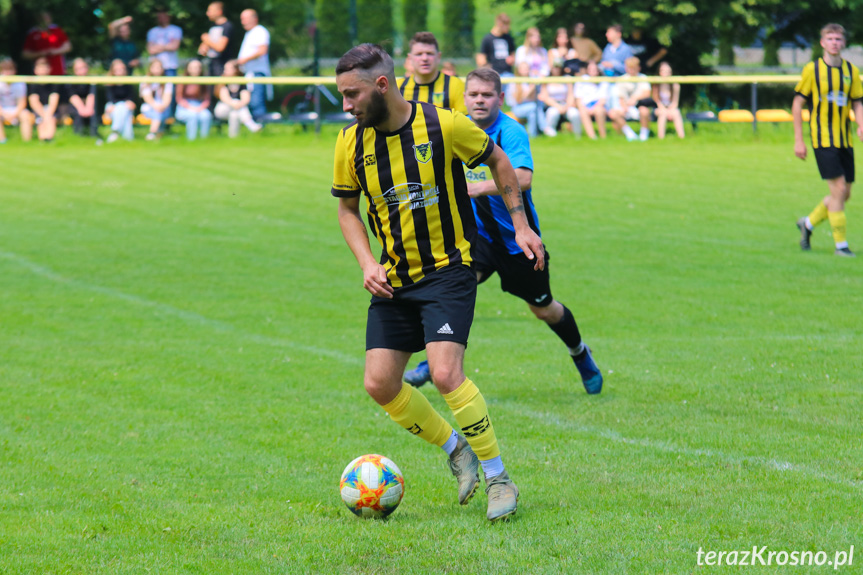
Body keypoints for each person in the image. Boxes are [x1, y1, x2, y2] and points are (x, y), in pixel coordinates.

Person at [332, 43, 544, 522]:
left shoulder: (443, 124)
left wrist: (521, 225)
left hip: (448, 271)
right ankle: (456, 450)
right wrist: (367, 261)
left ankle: (498, 478)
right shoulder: (350, 143)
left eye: (352, 95)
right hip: (393, 280)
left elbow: (500, 163)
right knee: (380, 384)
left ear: (381, 86)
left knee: (446, 374)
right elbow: (347, 209)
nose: (346, 106)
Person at [405, 67, 603, 396]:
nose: (479, 101)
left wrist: (478, 187)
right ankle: (433, 361)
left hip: (517, 240)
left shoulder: (510, 131)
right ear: (464, 98)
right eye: (473, 95)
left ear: (500, 98)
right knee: (452, 291)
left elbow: (523, 177)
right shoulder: (455, 128)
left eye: (486, 95)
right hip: (475, 239)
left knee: (544, 308)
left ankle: (580, 352)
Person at [793, 23, 863, 257]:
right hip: (823, 139)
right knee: (839, 189)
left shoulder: (851, 71)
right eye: (830, 39)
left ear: (843, 43)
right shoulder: (812, 70)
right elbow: (797, 103)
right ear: (822, 43)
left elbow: (857, 102)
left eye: (838, 39)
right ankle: (841, 246)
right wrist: (798, 140)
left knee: (843, 194)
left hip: (845, 140)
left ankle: (808, 224)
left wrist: (861, 124)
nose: (835, 43)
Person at [399, 31, 467, 114]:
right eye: (419, 54)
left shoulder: (456, 85)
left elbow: (465, 122)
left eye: (429, 53)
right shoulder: (398, 88)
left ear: (438, 57)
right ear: (410, 58)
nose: (424, 58)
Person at [237, 9, 272, 122]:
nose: (242, 22)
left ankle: (260, 126)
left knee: (256, 102)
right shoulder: (250, 33)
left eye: (245, 19)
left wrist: (244, 59)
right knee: (251, 102)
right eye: (242, 19)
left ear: (254, 19)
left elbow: (262, 50)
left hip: (257, 73)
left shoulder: (260, 31)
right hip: (249, 73)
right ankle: (255, 127)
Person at [609, 57, 654, 141]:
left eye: (634, 68)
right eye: (630, 68)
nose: (631, 70)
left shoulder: (643, 78)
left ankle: (644, 135)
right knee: (613, 113)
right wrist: (624, 107)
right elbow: (621, 97)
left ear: (638, 68)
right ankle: (630, 134)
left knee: (644, 111)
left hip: (639, 106)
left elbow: (647, 93)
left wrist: (634, 98)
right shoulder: (621, 79)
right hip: (626, 107)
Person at [214, 60, 262, 137]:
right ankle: (250, 124)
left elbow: (246, 99)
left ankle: (233, 138)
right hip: (223, 109)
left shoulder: (242, 82)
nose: (225, 71)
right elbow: (224, 98)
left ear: (235, 69)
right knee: (236, 104)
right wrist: (236, 104)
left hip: (236, 109)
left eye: (228, 69)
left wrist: (239, 104)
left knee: (234, 114)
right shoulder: (223, 81)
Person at [22, 11, 71, 75]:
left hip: (58, 73)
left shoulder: (57, 30)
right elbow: (25, 54)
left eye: (46, 17)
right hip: (40, 75)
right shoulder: (32, 33)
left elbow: (68, 47)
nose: (45, 20)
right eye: (42, 18)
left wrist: (54, 51)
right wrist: (40, 53)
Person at [538, 61, 579, 138]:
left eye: (558, 67)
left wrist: (566, 106)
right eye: (555, 67)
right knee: (552, 113)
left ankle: (578, 136)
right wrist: (557, 106)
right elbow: (545, 97)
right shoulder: (546, 79)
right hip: (552, 105)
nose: (556, 69)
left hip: (565, 104)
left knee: (575, 114)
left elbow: (571, 95)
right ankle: (551, 136)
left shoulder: (567, 78)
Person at [174, 60, 212, 140]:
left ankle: (204, 139)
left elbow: (207, 99)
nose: (195, 70)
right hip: (185, 106)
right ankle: (191, 139)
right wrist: (191, 107)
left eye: (198, 67)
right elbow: (179, 98)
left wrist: (200, 107)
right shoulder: (182, 80)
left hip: (199, 105)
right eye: (193, 68)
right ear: (188, 69)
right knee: (192, 116)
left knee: (206, 116)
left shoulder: (204, 81)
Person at [0, 59, 35, 143]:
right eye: (5, 70)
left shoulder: (20, 83)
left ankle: (27, 142)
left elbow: (22, 102)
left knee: (26, 115)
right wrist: (4, 114)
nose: (8, 73)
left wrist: (14, 114)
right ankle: (2, 141)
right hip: (2, 110)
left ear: (15, 71)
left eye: (10, 70)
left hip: (16, 109)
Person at [27, 57, 60, 142]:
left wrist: (47, 115)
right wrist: (44, 116)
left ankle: (48, 139)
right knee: (41, 120)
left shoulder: (54, 83)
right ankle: (44, 139)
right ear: (35, 70)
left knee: (51, 119)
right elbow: (34, 102)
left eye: (44, 68)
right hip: (39, 111)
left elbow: (54, 100)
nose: (43, 70)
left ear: (49, 69)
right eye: (40, 68)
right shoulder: (32, 83)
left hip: (50, 111)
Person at [199, 2, 235, 78]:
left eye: (210, 11)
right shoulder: (212, 26)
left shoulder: (227, 26)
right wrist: (204, 47)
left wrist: (206, 39)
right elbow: (208, 45)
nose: (207, 13)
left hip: (222, 66)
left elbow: (220, 47)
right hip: (211, 64)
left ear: (219, 12)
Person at [139, 59, 174, 140]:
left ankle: (154, 134)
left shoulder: (167, 80)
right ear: (150, 68)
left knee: (159, 111)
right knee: (157, 112)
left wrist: (162, 106)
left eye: (159, 67)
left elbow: (167, 97)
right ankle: (155, 133)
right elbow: (147, 97)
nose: (157, 69)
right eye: (155, 67)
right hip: (150, 108)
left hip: (163, 108)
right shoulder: (146, 80)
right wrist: (157, 106)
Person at [574, 61, 609, 140]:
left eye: (594, 69)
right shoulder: (581, 80)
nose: (593, 71)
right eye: (591, 69)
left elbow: (603, 99)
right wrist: (585, 108)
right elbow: (578, 99)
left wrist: (594, 108)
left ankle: (603, 136)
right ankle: (592, 137)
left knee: (599, 111)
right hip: (585, 106)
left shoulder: (603, 80)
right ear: (587, 70)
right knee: (582, 111)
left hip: (598, 105)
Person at [510, 61, 545, 138]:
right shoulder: (515, 82)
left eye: (527, 68)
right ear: (519, 70)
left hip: (531, 108)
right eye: (524, 69)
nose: (526, 70)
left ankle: (533, 136)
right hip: (517, 109)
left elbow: (536, 98)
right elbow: (519, 100)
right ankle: (545, 128)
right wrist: (531, 88)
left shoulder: (531, 80)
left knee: (533, 113)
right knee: (534, 106)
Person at [104, 59, 136, 142]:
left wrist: (127, 103)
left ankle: (115, 131)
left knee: (123, 107)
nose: (120, 72)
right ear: (113, 71)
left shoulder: (128, 82)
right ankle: (128, 138)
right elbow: (111, 99)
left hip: (124, 107)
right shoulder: (109, 83)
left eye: (122, 69)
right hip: (113, 106)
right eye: (117, 70)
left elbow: (130, 99)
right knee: (122, 108)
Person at [67, 58, 99, 138]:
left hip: (88, 105)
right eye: (78, 69)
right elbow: (73, 97)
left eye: (83, 68)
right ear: (74, 70)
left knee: (93, 112)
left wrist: (88, 108)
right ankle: (78, 137)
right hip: (77, 106)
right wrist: (82, 109)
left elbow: (91, 95)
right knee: (77, 113)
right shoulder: (71, 81)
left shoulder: (91, 80)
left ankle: (94, 136)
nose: (81, 71)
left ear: (87, 68)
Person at [147, 8, 183, 77]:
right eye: (159, 17)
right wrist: (167, 46)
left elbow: (174, 47)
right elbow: (150, 50)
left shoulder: (176, 30)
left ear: (168, 17)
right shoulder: (152, 31)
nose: (161, 19)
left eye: (163, 17)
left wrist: (158, 46)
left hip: (170, 66)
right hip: (155, 68)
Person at [652, 62, 684, 139]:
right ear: (659, 72)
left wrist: (669, 110)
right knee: (663, 113)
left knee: (676, 112)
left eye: (668, 71)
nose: (665, 73)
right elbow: (657, 101)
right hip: (658, 108)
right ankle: (661, 137)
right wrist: (665, 110)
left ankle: (682, 137)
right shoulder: (655, 84)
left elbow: (675, 102)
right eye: (663, 71)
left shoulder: (675, 85)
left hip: (671, 108)